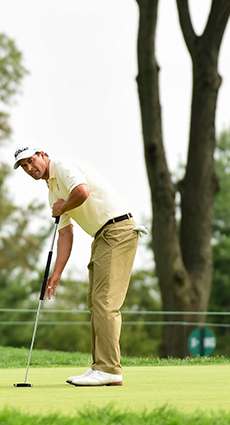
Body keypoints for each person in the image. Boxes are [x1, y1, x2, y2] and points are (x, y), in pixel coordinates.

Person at [13, 145, 144, 387]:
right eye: (24, 167)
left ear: (42, 154)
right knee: (95, 302)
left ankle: (109, 369)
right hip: (102, 236)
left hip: (117, 230)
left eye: (31, 161)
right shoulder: (52, 190)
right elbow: (65, 233)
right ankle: (100, 367)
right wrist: (57, 272)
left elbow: (82, 192)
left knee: (105, 302)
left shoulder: (62, 166)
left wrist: (63, 207)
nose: (30, 168)